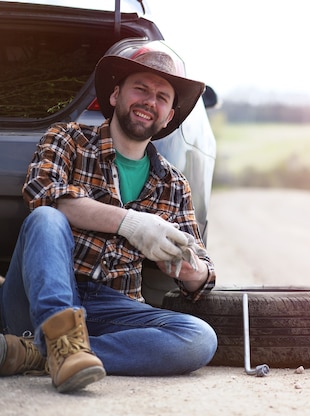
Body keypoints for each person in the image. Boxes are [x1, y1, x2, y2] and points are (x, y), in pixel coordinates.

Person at [0, 48, 218, 393]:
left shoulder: (174, 184)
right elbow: (43, 192)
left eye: (162, 97)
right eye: (140, 89)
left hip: (111, 308)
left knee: (199, 339)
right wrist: (134, 223)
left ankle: (41, 354)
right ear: (116, 95)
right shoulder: (68, 139)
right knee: (46, 218)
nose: (150, 101)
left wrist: (191, 270)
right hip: (38, 296)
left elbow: (202, 276)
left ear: (169, 115)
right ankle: (55, 342)